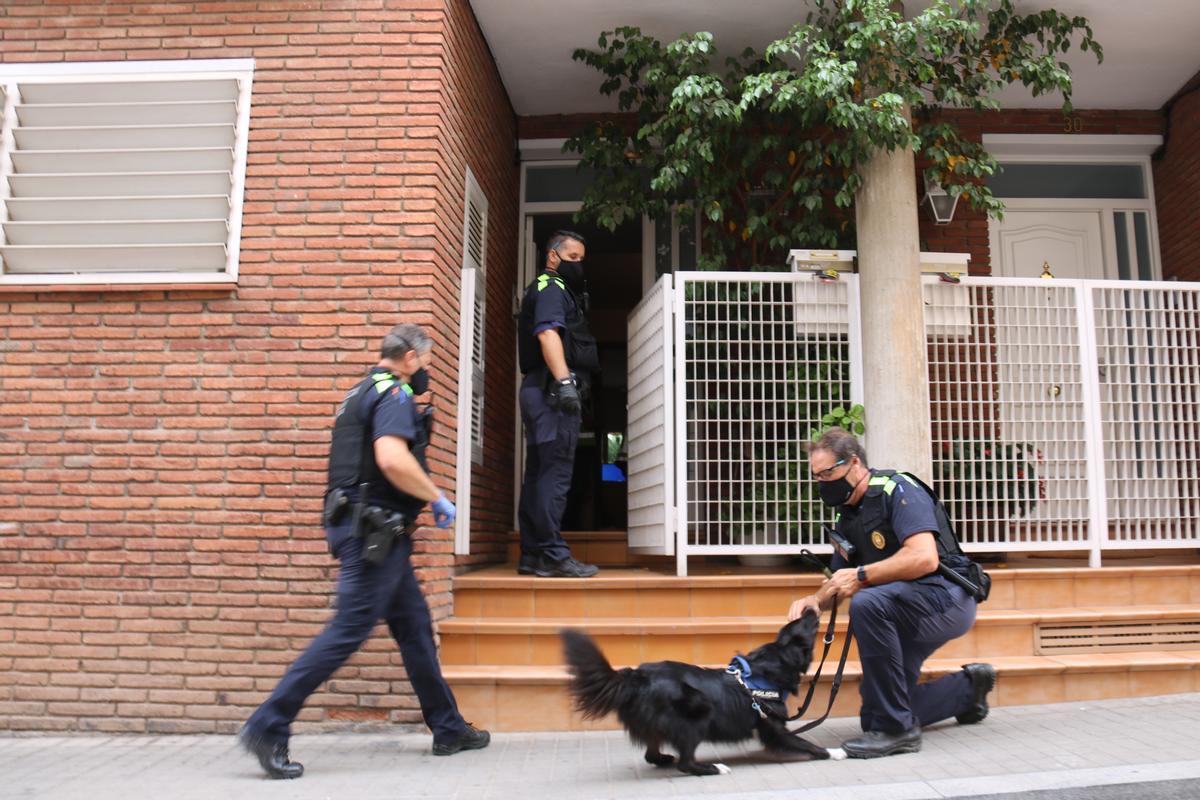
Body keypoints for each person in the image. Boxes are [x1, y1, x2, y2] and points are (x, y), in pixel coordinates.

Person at [239, 323, 489, 779]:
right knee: (347, 631)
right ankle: (267, 725)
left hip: (371, 531)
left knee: (414, 629)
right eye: (426, 362)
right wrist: (435, 497)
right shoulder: (393, 394)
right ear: (411, 357)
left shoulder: (357, 392)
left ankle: (449, 727)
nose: (426, 372)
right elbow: (392, 458)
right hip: (375, 535)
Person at [787, 428, 996, 759]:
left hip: (946, 597)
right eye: (816, 477)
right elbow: (841, 578)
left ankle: (898, 733)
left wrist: (862, 575)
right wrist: (816, 600)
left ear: (854, 463)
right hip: (899, 607)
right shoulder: (845, 516)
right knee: (875, 711)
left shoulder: (898, 490)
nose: (822, 484)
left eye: (827, 473)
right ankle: (969, 689)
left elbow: (924, 557)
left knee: (868, 602)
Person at [514, 230, 601, 578]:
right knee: (555, 474)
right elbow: (548, 333)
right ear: (553, 257)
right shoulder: (552, 288)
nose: (578, 266)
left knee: (538, 473)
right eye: (573, 258)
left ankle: (533, 554)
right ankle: (552, 554)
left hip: (540, 390)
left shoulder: (549, 289)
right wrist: (565, 383)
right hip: (552, 393)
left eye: (582, 259)